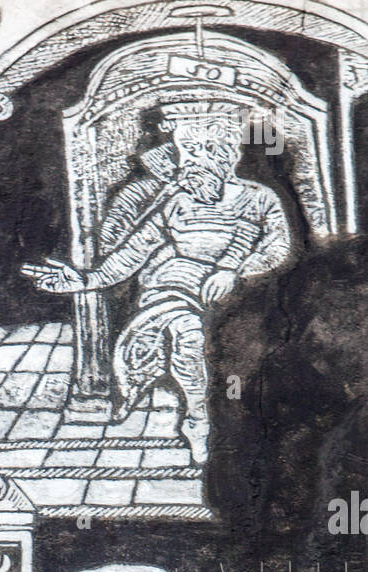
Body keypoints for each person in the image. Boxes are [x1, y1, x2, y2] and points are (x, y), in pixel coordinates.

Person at [24, 100, 291, 463]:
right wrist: (84, 281)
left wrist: (234, 271)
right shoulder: (176, 202)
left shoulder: (259, 198)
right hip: (175, 283)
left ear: (227, 154)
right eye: (188, 150)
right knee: (187, 333)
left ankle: (242, 420)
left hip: (242, 287)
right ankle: (198, 420)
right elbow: (133, 253)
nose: (194, 160)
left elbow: (279, 246)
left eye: (205, 150)